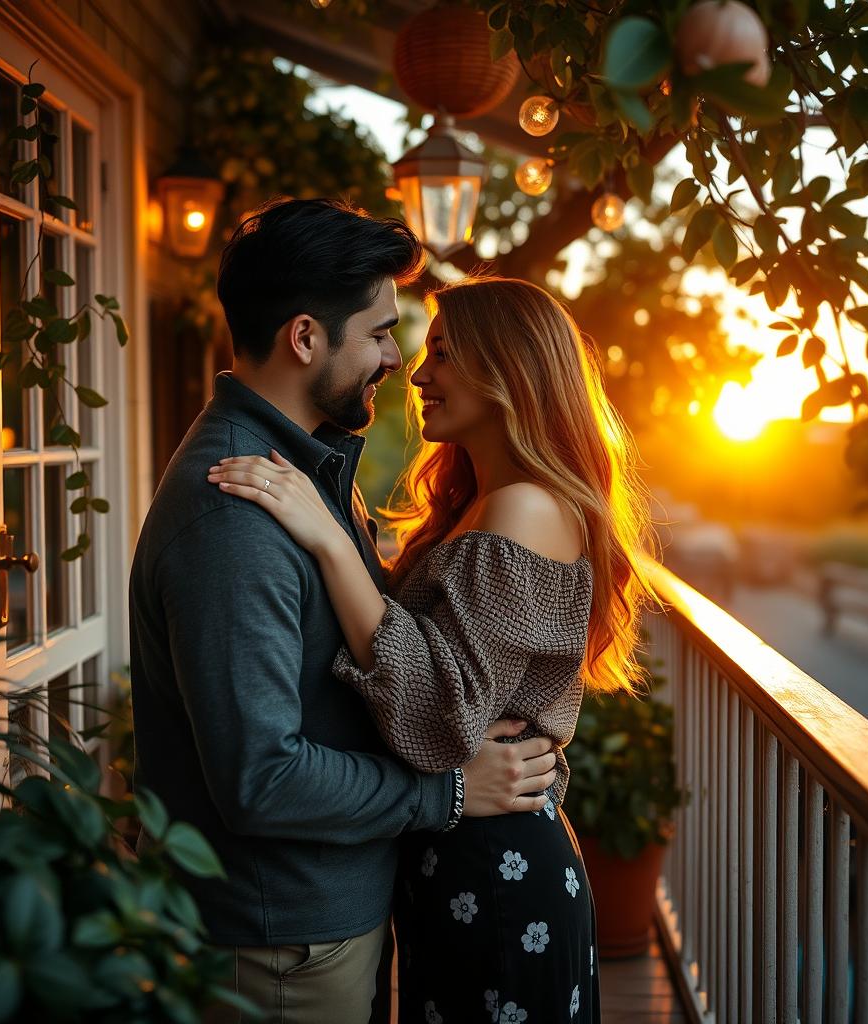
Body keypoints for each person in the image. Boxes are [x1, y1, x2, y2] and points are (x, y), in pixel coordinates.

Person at [129, 200, 559, 1024]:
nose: (396, 358)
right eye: (380, 333)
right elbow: (262, 778)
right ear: (304, 339)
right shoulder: (236, 517)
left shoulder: (306, 473)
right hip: (281, 944)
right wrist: (449, 793)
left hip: (323, 920)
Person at [209, 275, 657, 1023]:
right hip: (460, 861)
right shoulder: (486, 499)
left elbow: (441, 715)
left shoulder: (528, 508)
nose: (418, 374)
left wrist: (326, 540)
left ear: (509, 368)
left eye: (443, 353)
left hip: (499, 876)